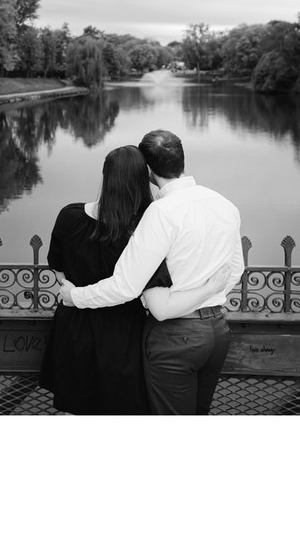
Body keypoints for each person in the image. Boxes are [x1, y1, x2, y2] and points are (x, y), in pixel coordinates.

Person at [59, 130, 244, 415]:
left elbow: (126, 287)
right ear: (181, 160)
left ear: (147, 170)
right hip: (217, 331)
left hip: (175, 337)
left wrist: (76, 296)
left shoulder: (161, 212)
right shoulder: (224, 204)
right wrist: (206, 296)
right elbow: (234, 271)